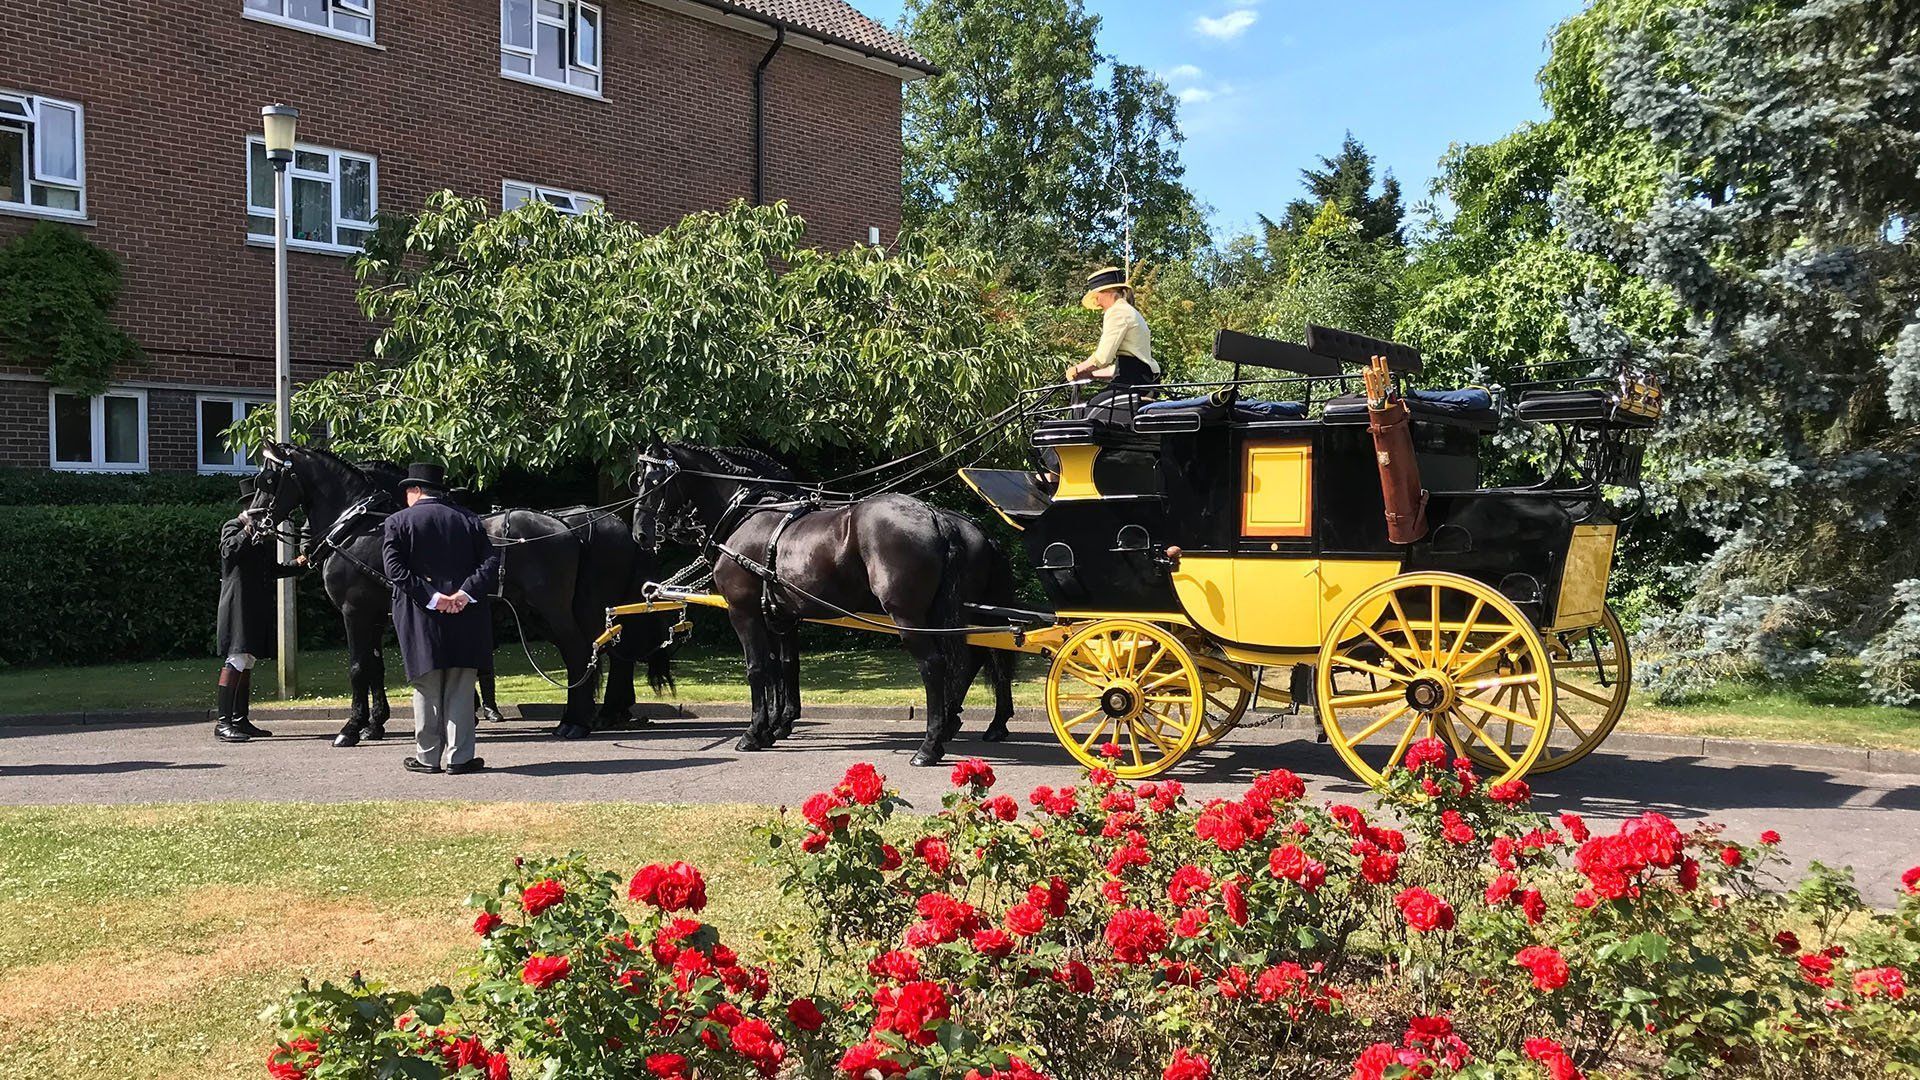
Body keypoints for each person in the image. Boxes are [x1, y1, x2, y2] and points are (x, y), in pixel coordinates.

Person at [382, 462, 500, 775]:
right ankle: (460, 758)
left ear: (414, 490)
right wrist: (463, 594)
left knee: (426, 684)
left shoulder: (397, 522)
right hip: (467, 613)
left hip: (421, 615)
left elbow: (395, 571)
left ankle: (427, 756)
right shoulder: (468, 519)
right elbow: (490, 562)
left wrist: (433, 598)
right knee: (461, 684)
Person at [214, 479, 306, 744]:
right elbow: (229, 552)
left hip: (256, 604)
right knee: (237, 658)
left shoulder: (263, 537)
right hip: (238, 604)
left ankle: (240, 718)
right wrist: (246, 529)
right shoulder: (233, 527)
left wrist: (298, 564)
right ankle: (223, 722)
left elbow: (271, 570)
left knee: (248, 660)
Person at [1063, 266, 1159, 394]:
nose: (1097, 304)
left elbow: (1102, 358)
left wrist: (1076, 369)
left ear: (1108, 292)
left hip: (1131, 383)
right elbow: (1121, 368)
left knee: (1090, 409)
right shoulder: (1130, 311)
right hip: (1142, 381)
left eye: (1096, 297)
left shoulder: (1117, 311)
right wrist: (1090, 374)